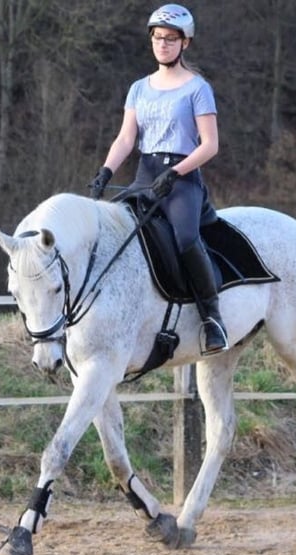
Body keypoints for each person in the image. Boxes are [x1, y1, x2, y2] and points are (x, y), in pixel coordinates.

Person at [88, 3, 228, 355]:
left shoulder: (198, 88)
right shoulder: (138, 88)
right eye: (157, 38)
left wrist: (176, 173)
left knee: (184, 238)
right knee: (108, 229)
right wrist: (105, 171)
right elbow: (126, 139)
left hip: (182, 177)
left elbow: (210, 145)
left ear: (185, 43)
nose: (162, 44)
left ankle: (212, 317)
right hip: (146, 173)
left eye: (170, 39)